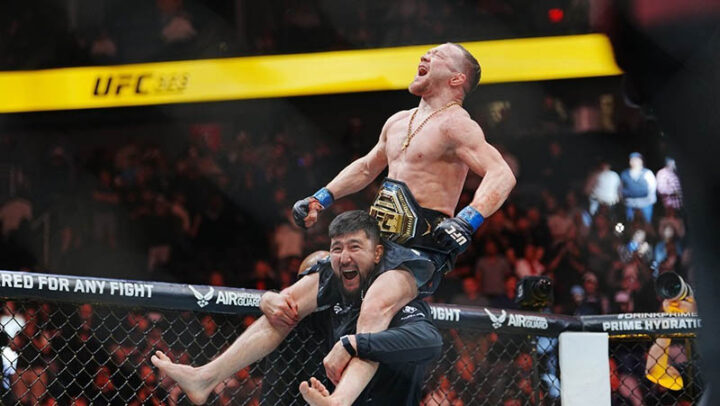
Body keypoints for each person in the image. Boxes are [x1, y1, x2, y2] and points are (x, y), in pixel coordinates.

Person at [273, 42, 515, 405]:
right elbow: (367, 167)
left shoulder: (457, 124)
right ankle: (209, 375)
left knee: (375, 310)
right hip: (379, 243)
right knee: (309, 286)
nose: (425, 56)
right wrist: (321, 197)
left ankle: (340, 400)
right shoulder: (399, 120)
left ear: (457, 78)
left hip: (418, 247)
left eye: (437, 54)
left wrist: (468, 219)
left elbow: (502, 173)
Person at [150, 211, 443, 405]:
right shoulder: (304, 313)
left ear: (377, 255)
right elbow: (289, 304)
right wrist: (267, 299)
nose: (343, 260)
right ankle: (205, 377)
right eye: (337, 251)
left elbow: (430, 341)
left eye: (354, 248)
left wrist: (355, 344)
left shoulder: (391, 300)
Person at [621, 152, 656, 223]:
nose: (634, 162)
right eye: (632, 160)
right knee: (630, 224)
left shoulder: (647, 173)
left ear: (641, 161)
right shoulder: (624, 174)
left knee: (646, 223)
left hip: (645, 204)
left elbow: (652, 187)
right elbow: (620, 188)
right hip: (630, 204)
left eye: (637, 160)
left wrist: (649, 200)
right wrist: (623, 200)